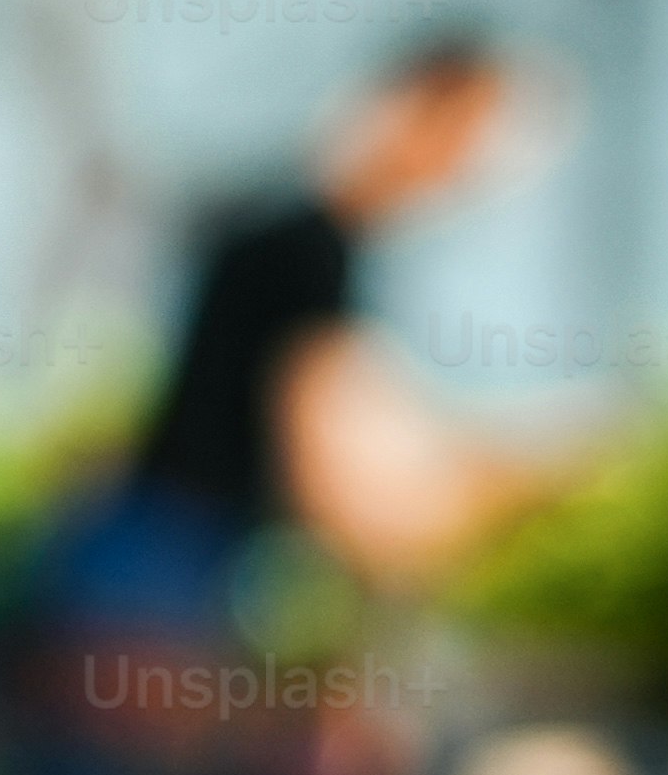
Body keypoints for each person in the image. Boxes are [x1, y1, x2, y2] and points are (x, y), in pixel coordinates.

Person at [117, 31, 553, 595]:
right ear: (416, 111)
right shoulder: (307, 251)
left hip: (183, 565)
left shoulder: (312, 239)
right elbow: (339, 481)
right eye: (470, 132)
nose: (472, 164)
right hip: (177, 581)